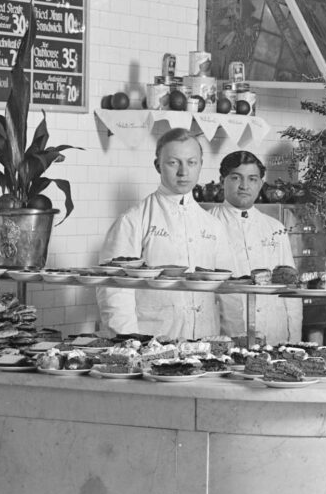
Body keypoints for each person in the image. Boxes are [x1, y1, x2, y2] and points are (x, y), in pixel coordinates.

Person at [97, 127, 225, 339]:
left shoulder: (213, 225)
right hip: (153, 342)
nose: (183, 172)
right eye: (173, 162)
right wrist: (130, 344)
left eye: (191, 162)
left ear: (201, 165)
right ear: (157, 165)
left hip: (206, 341)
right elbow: (114, 292)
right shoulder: (134, 220)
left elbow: (227, 290)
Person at [207, 150, 300, 343]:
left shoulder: (275, 228)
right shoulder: (206, 225)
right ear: (222, 180)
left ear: (260, 184)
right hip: (225, 332)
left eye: (252, 179)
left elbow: (290, 287)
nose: (244, 186)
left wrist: (294, 338)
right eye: (236, 178)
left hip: (274, 331)